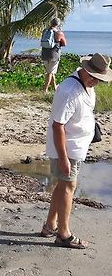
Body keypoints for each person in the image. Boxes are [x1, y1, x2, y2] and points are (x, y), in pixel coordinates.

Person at [41, 53, 112, 249]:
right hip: (67, 148)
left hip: (77, 146)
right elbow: (58, 126)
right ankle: (64, 234)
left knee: (61, 185)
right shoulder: (69, 90)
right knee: (69, 187)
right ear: (85, 70)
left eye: (99, 79)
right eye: (94, 77)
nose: (96, 82)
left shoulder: (87, 87)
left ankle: (50, 225)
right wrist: (63, 158)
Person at [41, 17, 67, 93]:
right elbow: (64, 43)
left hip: (45, 54)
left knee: (50, 71)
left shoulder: (45, 31)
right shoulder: (59, 32)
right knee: (50, 73)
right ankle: (45, 90)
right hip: (54, 55)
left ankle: (55, 87)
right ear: (58, 24)